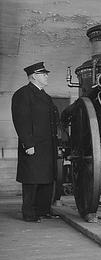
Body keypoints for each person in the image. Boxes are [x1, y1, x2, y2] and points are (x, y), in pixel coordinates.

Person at [11, 62, 59, 222]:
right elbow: (21, 120)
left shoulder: (45, 96)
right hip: (33, 145)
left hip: (47, 146)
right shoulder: (23, 94)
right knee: (31, 180)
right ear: (34, 76)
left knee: (46, 180)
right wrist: (27, 144)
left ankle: (43, 210)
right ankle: (29, 214)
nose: (47, 76)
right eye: (43, 74)